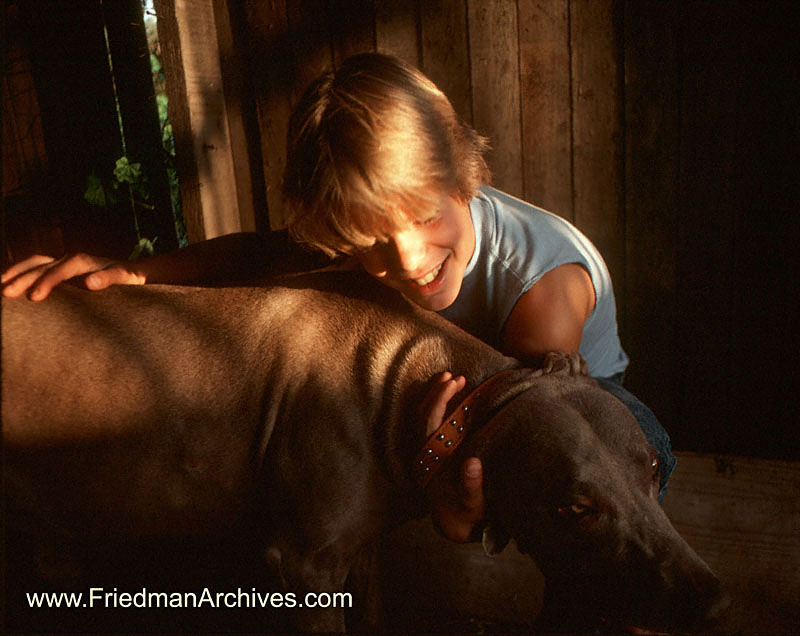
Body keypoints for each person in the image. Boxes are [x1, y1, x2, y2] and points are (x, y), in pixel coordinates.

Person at [2, 52, 675, 542]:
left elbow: (539, 439)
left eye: (422, 219)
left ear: (465, 176)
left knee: (624, 463)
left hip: (565, 396)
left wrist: (456, 500)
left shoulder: (544, 294)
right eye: (370, 243)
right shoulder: (364, 247)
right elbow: (249, 253)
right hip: (443, 386)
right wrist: (136, 273)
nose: (406, 261)